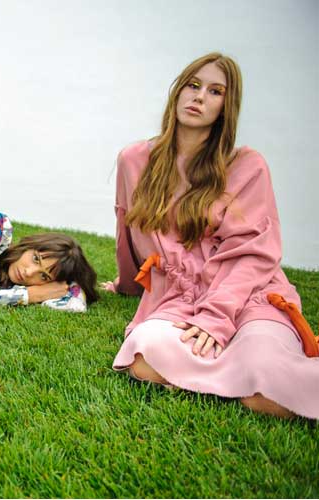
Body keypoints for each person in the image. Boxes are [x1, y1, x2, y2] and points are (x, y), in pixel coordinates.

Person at [104, 53, 318, 419]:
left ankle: (245, 370)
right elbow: (129, 232)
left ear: (225, 108)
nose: (199, 97)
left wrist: (215, 318)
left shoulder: (247, 165)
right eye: (193, 85)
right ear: (178, 91)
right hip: (181, 297)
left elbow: (252, 254)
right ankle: (235, 376)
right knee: (143, 353)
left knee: (266, 387)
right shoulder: (134, 159)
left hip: (248, 295)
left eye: (215, 91)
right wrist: (127, 285)